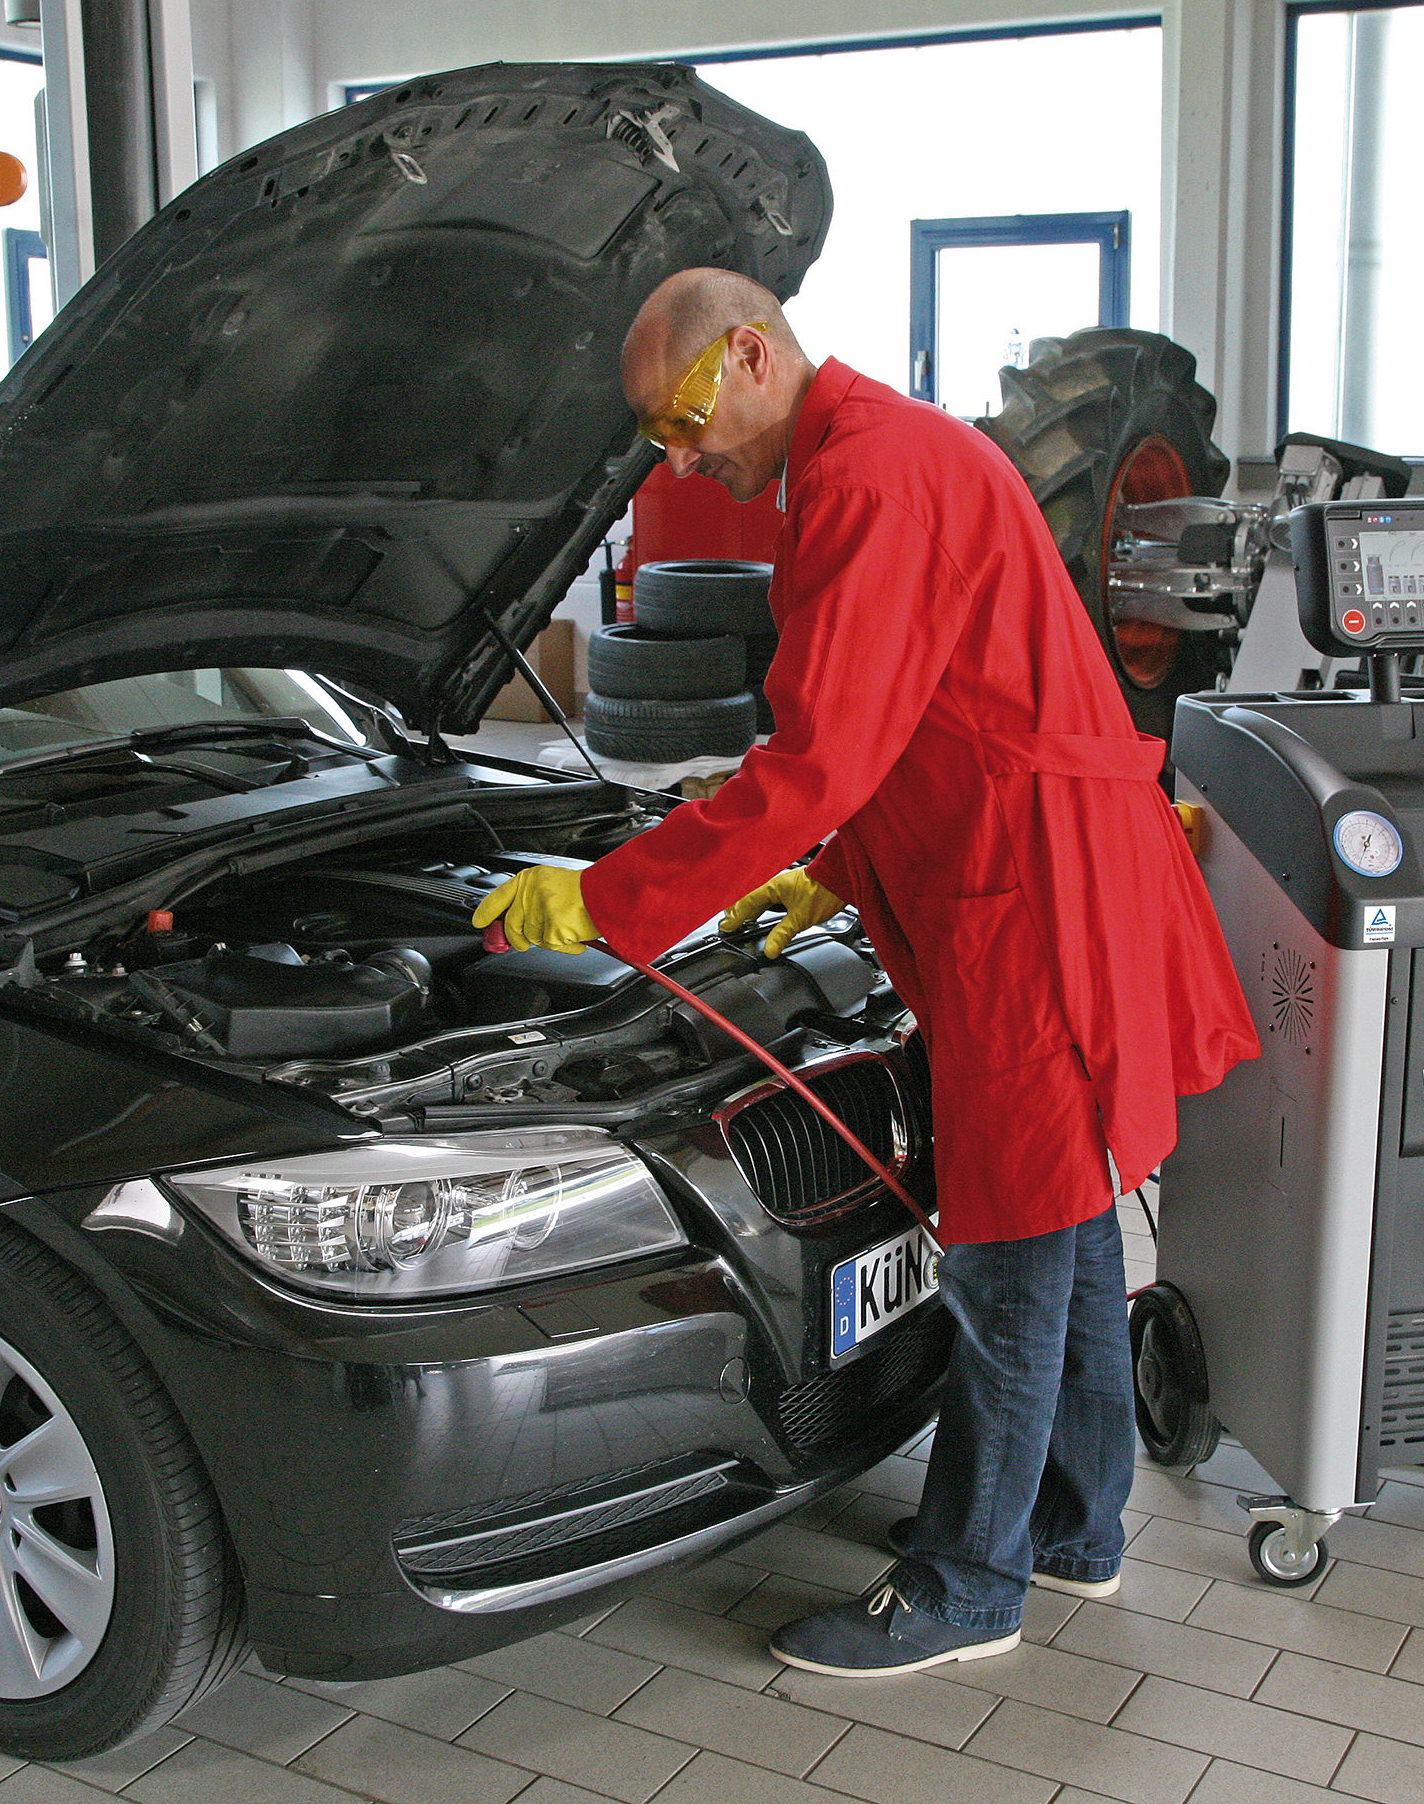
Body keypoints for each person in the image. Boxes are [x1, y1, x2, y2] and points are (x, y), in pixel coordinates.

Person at [475, 269, 1259, 1676]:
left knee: (1014, 1249)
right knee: (1075, 1224)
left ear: (757, 352)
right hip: (1029, 868)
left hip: (1033, 905)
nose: (684, 455)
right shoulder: (872, 455)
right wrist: (831, 871)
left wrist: (609, 899)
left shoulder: (870, 480)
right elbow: (926, 712)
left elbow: (824, 756)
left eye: (687, 417)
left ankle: (969, 1583)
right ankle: (1078, 1529)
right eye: (658, 437)